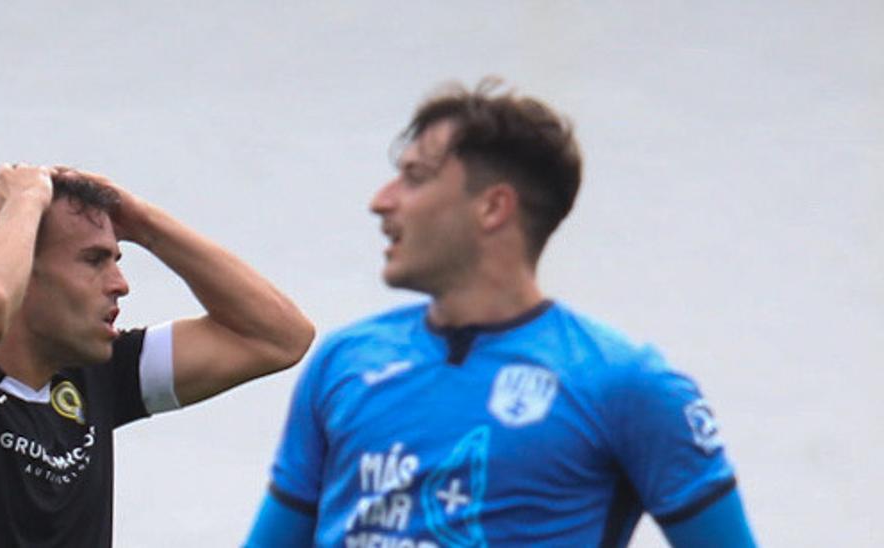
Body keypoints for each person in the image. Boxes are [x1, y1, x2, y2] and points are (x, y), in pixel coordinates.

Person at [245, 80, 757, 547]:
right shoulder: (343, 361)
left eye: (414, 178)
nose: (381, 202)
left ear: (493, 207)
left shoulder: (626, 384)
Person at [0, 163, 314, 547]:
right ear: (24, 272)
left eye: (117, 258)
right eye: (94, 260)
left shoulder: (96, 373)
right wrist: (26, 198)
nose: (120, 283)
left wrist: (143, 222)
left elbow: (279, 337)